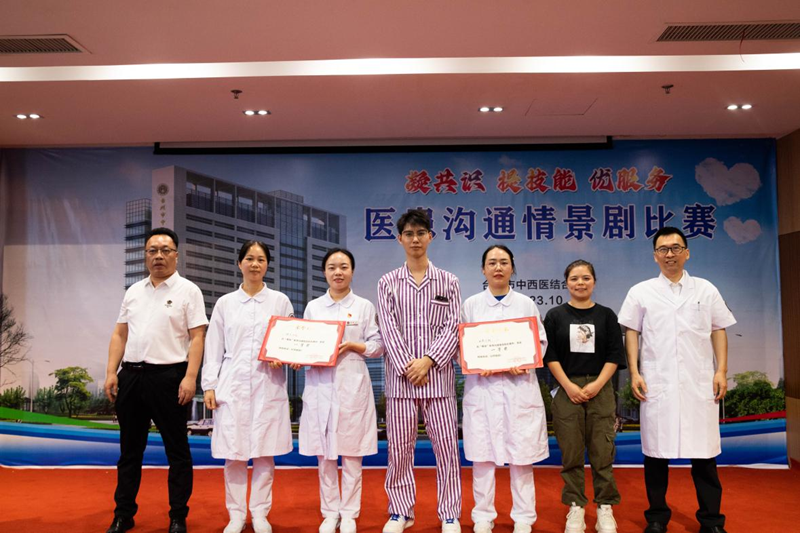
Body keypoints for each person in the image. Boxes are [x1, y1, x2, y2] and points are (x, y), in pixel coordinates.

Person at [618, 227, 736, 533]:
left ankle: (711, 521)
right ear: (655, 256)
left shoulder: (705, 289)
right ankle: (657, 518)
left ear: (687, 252)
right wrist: (635, 372)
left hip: (699, 382)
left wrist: (721, 370)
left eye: (675, 248)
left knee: (704, 456)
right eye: (663, 249)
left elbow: (719, 329)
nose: (669, 254)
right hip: (657, 382)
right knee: (656, 456)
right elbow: (632, 332)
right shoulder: (641, 292)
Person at [104, 227, 208, 533]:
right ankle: (123, 514)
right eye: (152, 250)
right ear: (145, 255)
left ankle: (177, 516)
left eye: (165, 250)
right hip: (131, 377)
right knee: (129, 452)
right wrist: (111, 371)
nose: (158, 256)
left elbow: (198, 337)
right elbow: (119, 333)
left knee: (177, 452)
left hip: (169, 377)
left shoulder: (189, 290)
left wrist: (190, 377)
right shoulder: (134, 291)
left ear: (176, 255)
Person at [377, 208, 462, 533]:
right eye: (409, 234)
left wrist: (428, 360)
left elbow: (454, 327)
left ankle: (449, 513)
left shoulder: (449, 281)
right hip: (401, 384)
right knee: (399, 450)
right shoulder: (387, 282)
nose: (415, 239)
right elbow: (388, 329)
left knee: (447, 449)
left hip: (438, 381)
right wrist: (408, 366)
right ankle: (400, 512)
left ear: (431, 237)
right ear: (400, 239)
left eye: (421, 233)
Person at [201, 241, 294, 533]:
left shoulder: (280, 301)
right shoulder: (225, 303)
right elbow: (213, 347)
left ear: (267, 265)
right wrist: (209, 385)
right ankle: (237, 515)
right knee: (234, 453)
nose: (255, 264)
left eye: (261, 259)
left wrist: (284, 356)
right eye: (250, 259)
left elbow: (290, 341)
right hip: (233, 384)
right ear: (239, 263)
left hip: (269, 383)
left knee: (265, 452)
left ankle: (260, 513)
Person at [461, 245, 549, 533]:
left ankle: (523, 517)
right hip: (482, 390)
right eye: (492, 263)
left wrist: (524, 362)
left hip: (518, 387)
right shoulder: (471, 305)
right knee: (482, 458)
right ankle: (482, 516)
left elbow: (541, 342)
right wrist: (476, 363)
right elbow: (462, 345)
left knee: (521, 458)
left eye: (503, 262)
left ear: (512, 267)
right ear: (483, 269)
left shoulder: (526, 304)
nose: (497, 267)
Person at [296, 248, 384, 533]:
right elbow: (305, 344)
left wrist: (355, 345)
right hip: (320, 387)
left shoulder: (364, 306)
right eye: (332, 267)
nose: (338, 272)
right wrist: (297, 356)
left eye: (344, 267)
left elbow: (378, 345)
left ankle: (349, 514)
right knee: (325, 457)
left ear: (352, 271)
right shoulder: (314, 307)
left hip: (352, 386)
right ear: (324, 272)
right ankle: (330, 512)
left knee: (352, 456)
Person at [543, 260, 626, 533]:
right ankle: (576, 506)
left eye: (586, 278)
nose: (580, 283)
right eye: (575, 278)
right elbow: (549, 355)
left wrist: (598, 384)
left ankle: (605, 507)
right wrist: (568, 385)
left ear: (594, 281)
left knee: (603, 452)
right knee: (571, 452)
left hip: (600, 388)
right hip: (567, 388)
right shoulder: (555, 316)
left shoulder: (606, 315)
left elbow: (615, 354)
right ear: (566, 283)